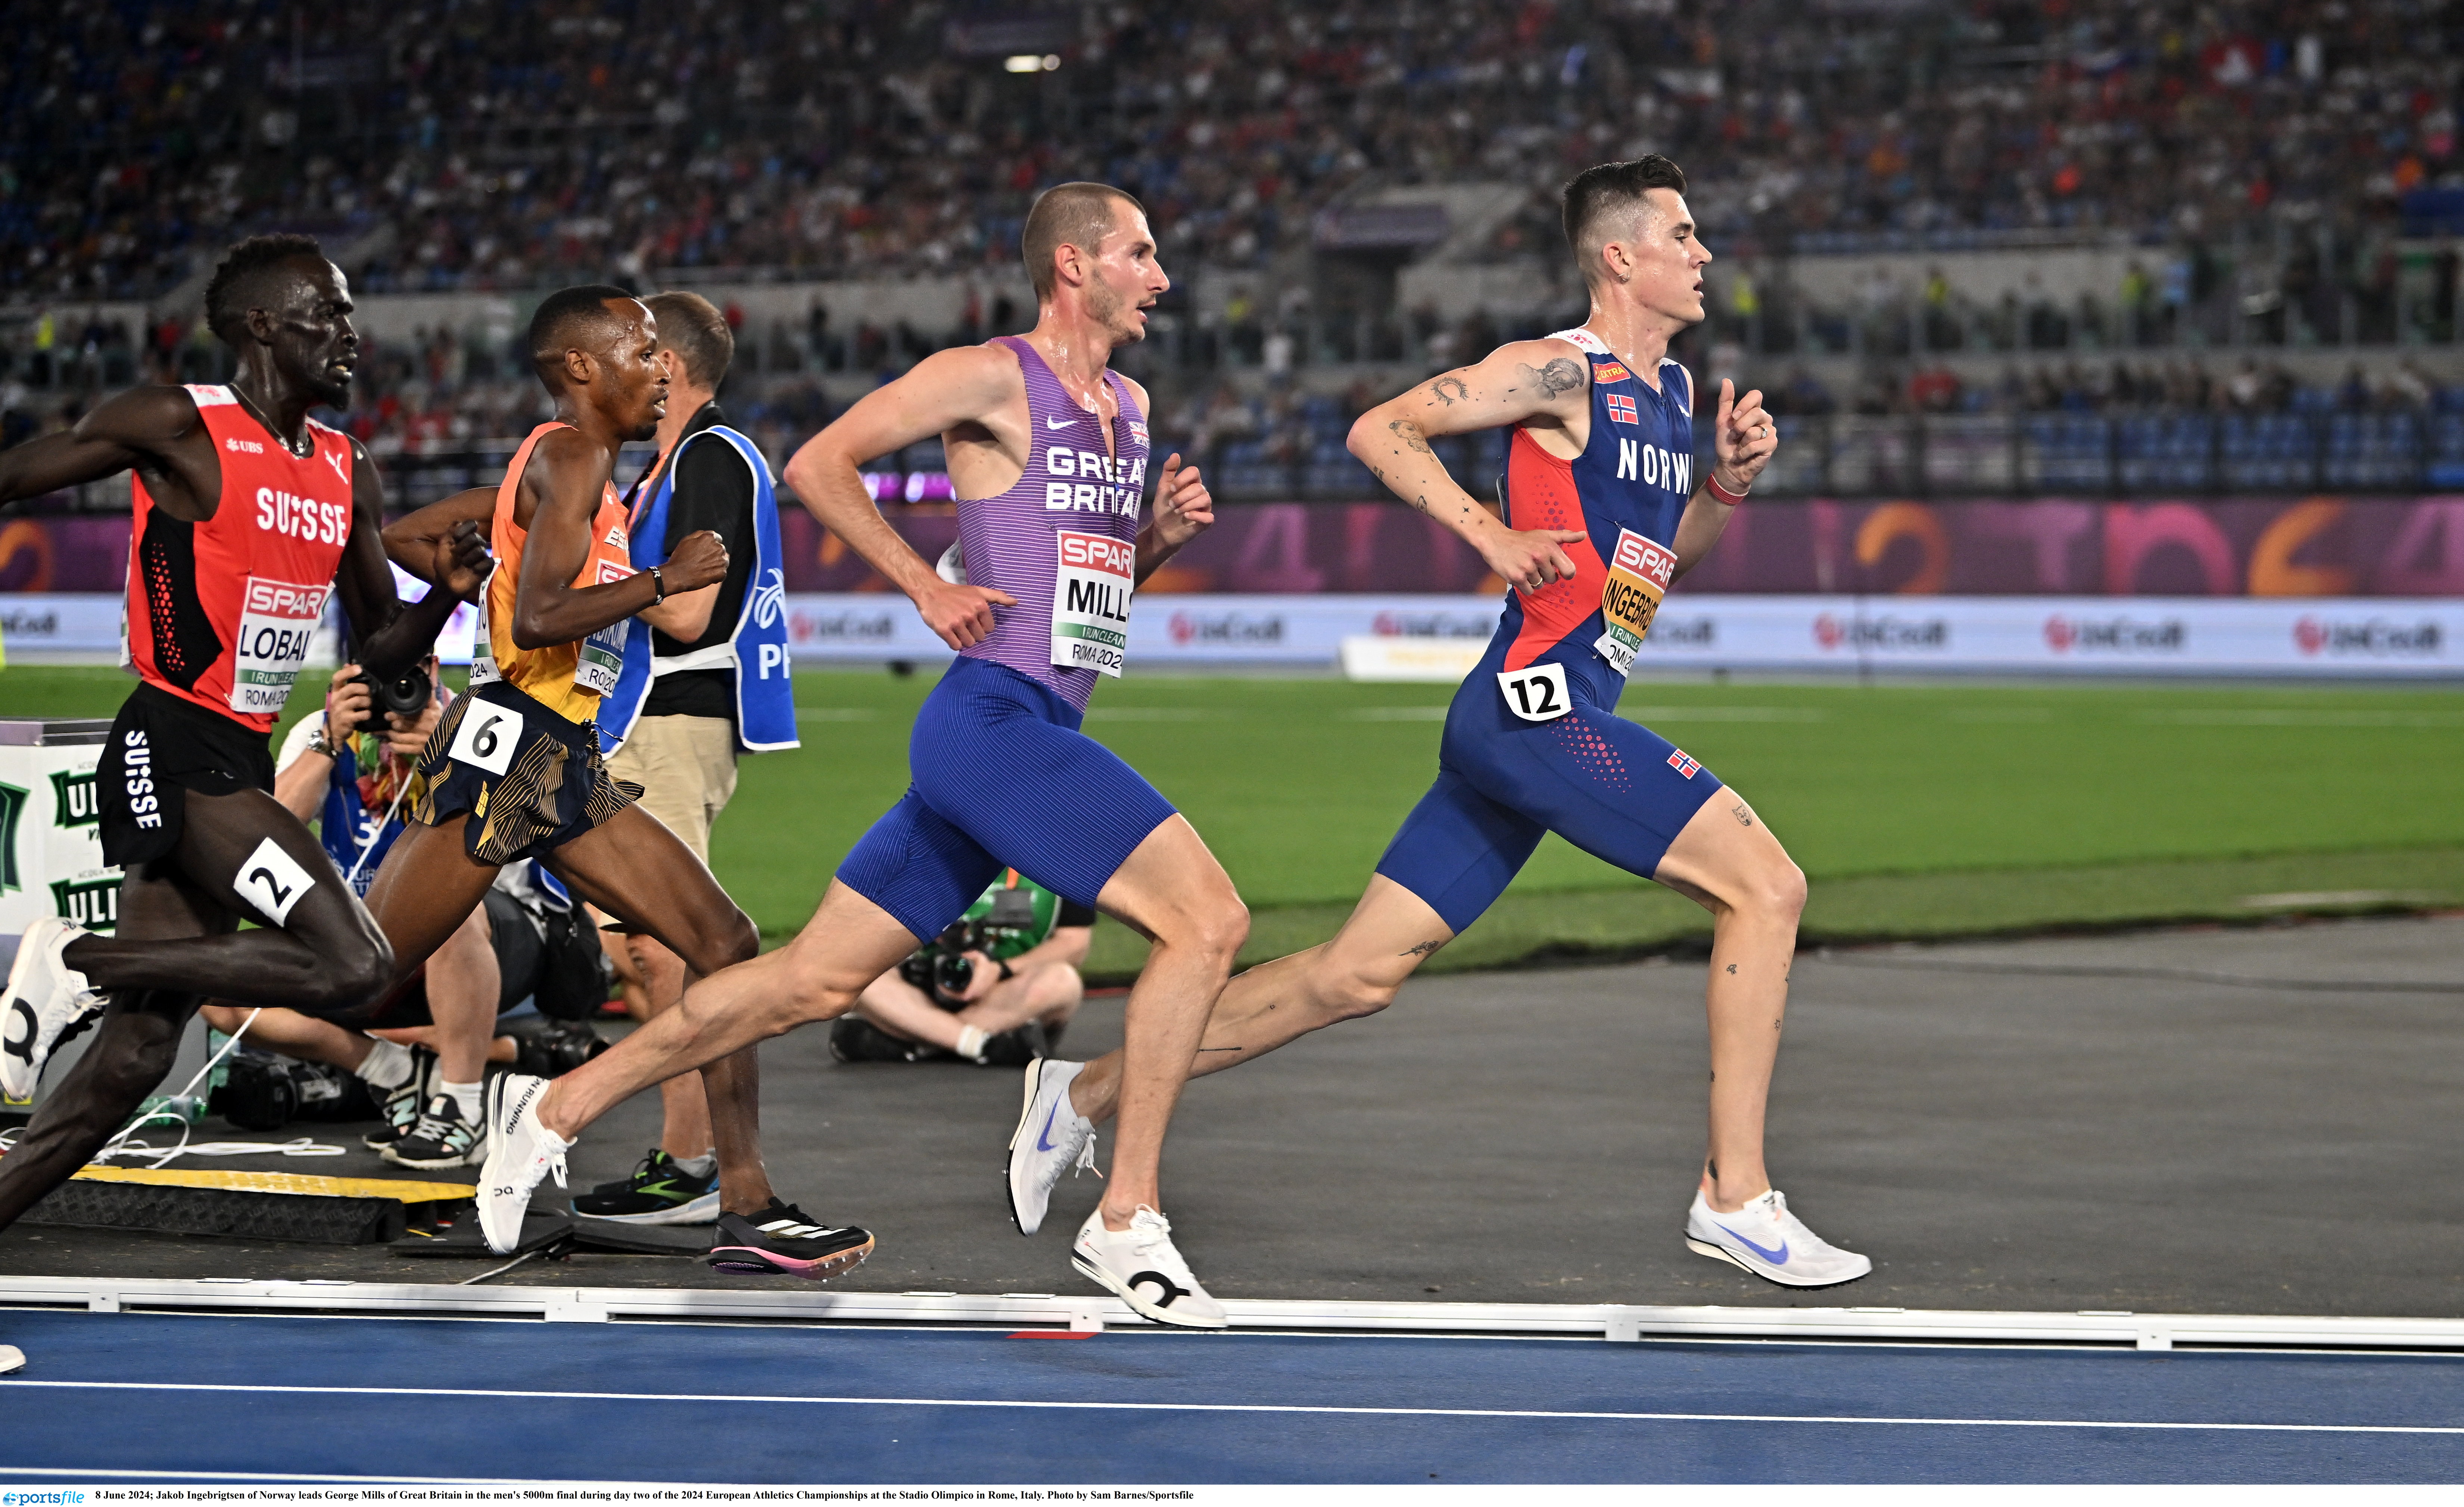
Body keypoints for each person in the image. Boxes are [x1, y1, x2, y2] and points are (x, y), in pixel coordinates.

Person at [1010, 157, 1873, 1290]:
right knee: (1767, 885)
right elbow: (1382, 430)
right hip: (1533, 711)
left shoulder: (1669, 400)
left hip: (1546, 713)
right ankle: (1736, 1194)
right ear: (1619, 256)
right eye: (1683, 232)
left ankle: (1077, 1093)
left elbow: (1647, 578)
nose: (1703, 253)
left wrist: (1723, 488)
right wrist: (1486, 533)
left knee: (1353, 976)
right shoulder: (1560, 370)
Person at [473, 184, 1239, 1329]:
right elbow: (822, 463)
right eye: (1142, 253)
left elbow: (1085, 589)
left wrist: (1154, 543)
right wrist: (925, 583)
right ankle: (1122, 1212)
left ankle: (552, 1112)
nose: (1162, 277)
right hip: (992, 723)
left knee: (808, 979)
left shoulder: (1127, 403)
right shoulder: (989, 375)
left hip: (1035, 723)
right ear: (1073, 265)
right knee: (1210, 920)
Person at [361, 286, 863, 1279]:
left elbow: (417, 535)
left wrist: (475, 565)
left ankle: (744, 1198)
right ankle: (94, 974)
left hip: (563, 755)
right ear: (592, 366)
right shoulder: (574, 454)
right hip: (513, 751)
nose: (654, 368)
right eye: (636, 351)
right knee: (358, 974)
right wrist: (658, 579)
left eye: (656, 351)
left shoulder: (587, 473)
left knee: (722, 938)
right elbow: (549, 611)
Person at [0, 234, 489, 1235]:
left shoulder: (347, 468)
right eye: (331, 314)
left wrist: (441, 594)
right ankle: (88, 957)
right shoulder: (178, 423)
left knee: (130, 1063)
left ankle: (95, 979)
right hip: (173, 744)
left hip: (240, 752)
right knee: (357, 964)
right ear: (264, 324)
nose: (352, 335)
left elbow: (383, 656)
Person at [572, 290, 798, 1226]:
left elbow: (689, 610)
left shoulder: (707, 455)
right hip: (644, 718)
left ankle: (694, 1159)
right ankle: (692, 1150)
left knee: (667, 945)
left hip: (671, 715)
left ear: (670, 361)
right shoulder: (671, 462)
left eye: (635, 347)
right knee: (641, 944)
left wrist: (577, 578)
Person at [197, 660, 604, 1168]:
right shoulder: (319, 730)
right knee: (214, 991)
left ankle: (462, 1104)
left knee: (448, 908)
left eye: (409, 676)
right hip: (370, 943)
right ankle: (389, 1068)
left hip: (499, 937)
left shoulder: (479, 718)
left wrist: (452, 752)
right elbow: (263, 836)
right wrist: (330, 739)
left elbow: (523, 834)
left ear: (433, 670)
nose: (394, 694)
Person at [829, 869, 1093, 1067]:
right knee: (856, 973)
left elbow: (1074, 944)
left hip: (1006, 992)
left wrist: (1001, 969)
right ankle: (986, 1044)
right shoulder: (923, 848)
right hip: (926, 987)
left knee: (1063, 981)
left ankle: (917, 1038)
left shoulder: (1063, 858)